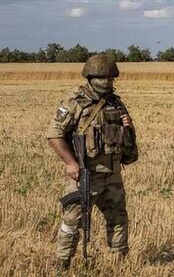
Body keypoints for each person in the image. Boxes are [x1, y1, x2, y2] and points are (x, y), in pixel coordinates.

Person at [47, 54, 138, 271]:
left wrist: (129, 128)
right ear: (90, 77)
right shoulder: (74, 102)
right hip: (84, 173)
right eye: (101, 78)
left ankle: (120, 264)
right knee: (72, 222)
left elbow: (127, 141)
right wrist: (70, 163)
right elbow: (54, 134)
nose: (106, 82)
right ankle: (62, 265)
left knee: (118, 219)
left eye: (110, 78)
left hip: (112, 173)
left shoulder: (116, 103)